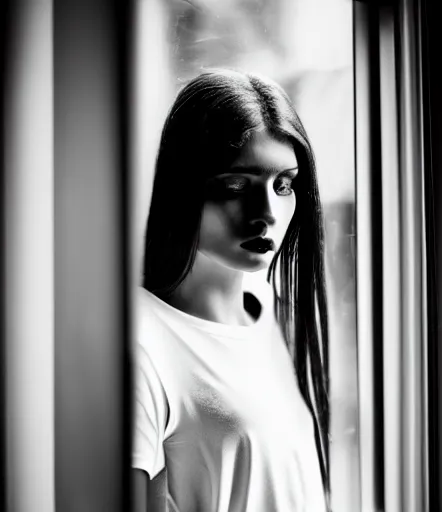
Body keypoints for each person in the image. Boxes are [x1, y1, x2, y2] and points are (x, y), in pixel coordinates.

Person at [132, 69, 330, 512]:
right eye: (235, 187)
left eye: (284, 185)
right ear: (183, 189)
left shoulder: (279, 318)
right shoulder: (142, 341)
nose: (267, 213)